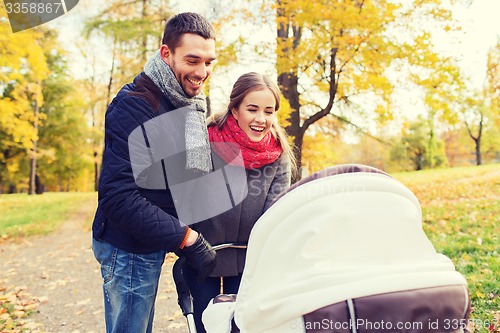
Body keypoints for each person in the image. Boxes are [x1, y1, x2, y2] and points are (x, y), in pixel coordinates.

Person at [91, 12, 218, 333]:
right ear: (166, 54)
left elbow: (189, 176)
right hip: (128, 247)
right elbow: (118, 197)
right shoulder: (136, 105)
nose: (202, 72)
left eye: (208, 62)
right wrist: (185, 238)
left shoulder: (184, 103)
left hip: (151, 241)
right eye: (192, 60)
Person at [184, 72, 296, 333]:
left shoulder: (278, 153)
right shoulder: (206, 142)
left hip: (249, 257)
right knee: (204, 324)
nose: (261, 119)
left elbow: (276, 211)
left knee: (244, 326)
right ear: (235, 110)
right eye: (252, 109)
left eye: (269, 111)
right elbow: (188, 199)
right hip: (203, 252)